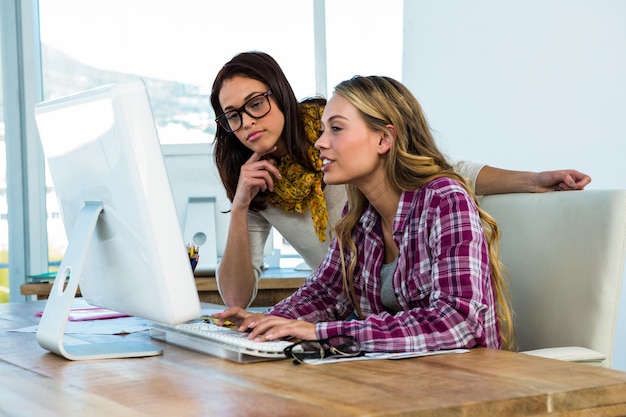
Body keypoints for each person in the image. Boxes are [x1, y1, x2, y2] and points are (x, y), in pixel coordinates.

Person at [210, 51, 591, 309]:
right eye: (233, 116)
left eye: (256, 103)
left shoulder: (431, 195)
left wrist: (534, 179)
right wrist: (241, 205)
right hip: (370, 331)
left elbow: (444, 172)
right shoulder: (355, 218)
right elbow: (316, 292)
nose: (247, 122)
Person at [214, 75, 514, 354]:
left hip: (463, 389)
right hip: (393, 384)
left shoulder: (445, 200)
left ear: (384, 139)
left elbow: (460, 322)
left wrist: (322, 332)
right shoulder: (358, 217)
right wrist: (260, 325)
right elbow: (324, 295)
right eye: (322, 130)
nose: (320, 142)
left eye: (336, 128)